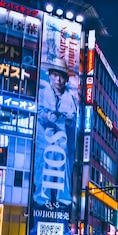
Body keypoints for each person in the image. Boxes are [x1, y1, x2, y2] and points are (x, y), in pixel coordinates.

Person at [33, 57, 78, 207]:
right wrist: (47, 116)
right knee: (42, 169)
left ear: (66, 79)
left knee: (63, 172)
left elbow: (74, 120)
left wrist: (65, 119)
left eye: (62, 76)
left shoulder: (71, 98)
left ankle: (63, 200)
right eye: (55, 75)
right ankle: (40, 199)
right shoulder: (42, 93)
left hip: (64, 143)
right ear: (50, 75)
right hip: (45, 140)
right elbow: (37, 112)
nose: (58, 79)